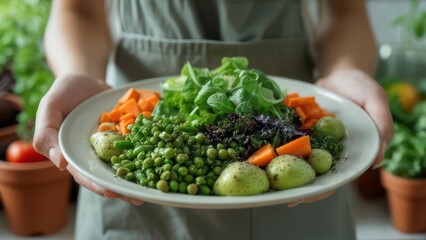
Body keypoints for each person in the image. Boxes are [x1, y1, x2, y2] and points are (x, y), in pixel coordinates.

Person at [34, 0, 393, 239]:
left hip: (287, 140)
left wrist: (345, 74)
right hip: (138, 172)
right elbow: (77, 10)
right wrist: (78, 75)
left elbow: (345, 12)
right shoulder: (137, 150)